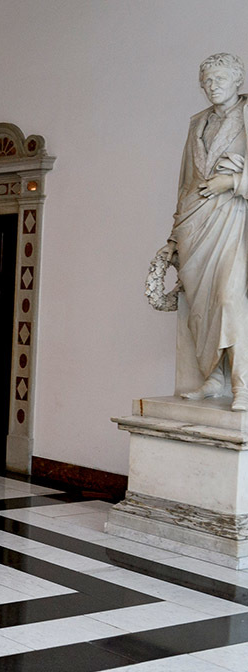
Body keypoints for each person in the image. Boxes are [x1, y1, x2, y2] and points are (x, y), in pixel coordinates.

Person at [159, 53, 248, 411]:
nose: (213, 87)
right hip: (195, 223)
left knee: (229, 299)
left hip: (233, 218)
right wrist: (172, 238)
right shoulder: (197, 123)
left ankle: (242, 384)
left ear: (237, 80)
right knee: (200, 306)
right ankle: (213, 377)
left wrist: (234, 180)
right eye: (207, 81)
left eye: (220, 79)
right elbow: (185, 183)